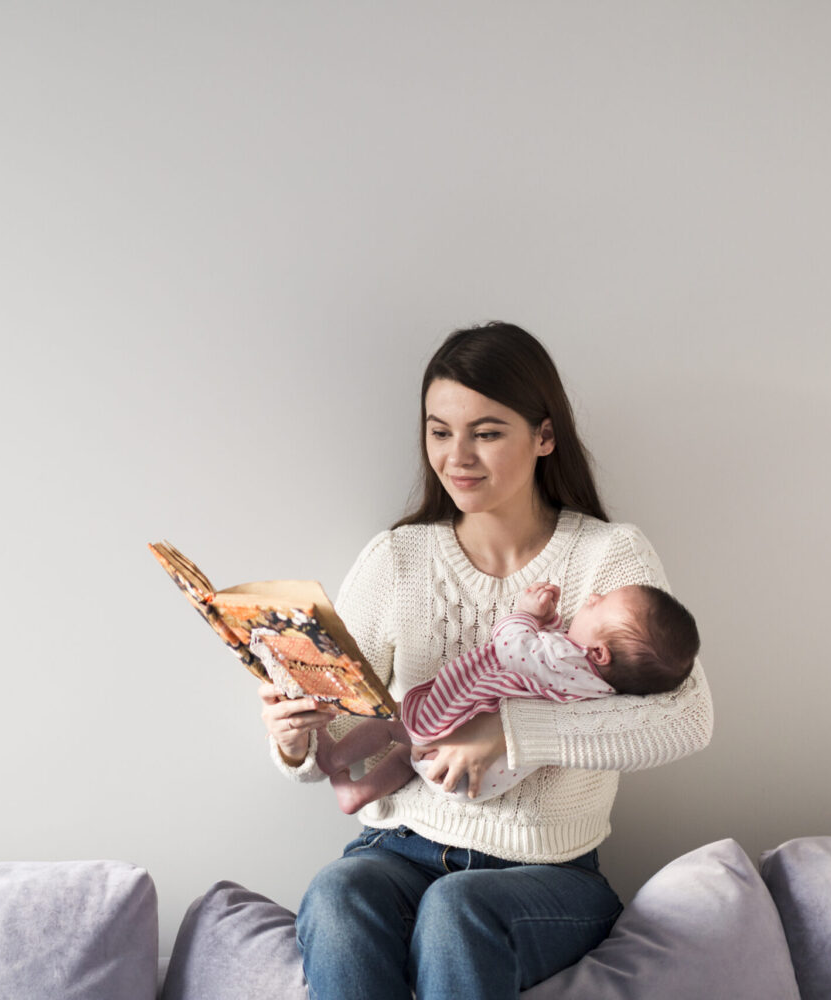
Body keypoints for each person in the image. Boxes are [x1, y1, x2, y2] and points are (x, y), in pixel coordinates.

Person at [258, 322, 713, 999]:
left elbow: (686, 722)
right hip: (396, 850)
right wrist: (295, 742)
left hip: (546, 872)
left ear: (545, 436)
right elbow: (349, 741)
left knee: (456, 911)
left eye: (487, 432)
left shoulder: (608, 558)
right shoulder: (396, 559)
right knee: (336, 894)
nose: (457, 456)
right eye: (439, 432)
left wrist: (510, 732)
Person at [316, 579, 700, 814]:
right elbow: (544, 659)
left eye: (598, 604)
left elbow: (514, 648)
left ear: (599, 654)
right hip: (483, 780)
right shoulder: (597, 685)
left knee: (392, 724)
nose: (593, 595)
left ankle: (335, 757)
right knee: (407, 756)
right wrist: (550, 623)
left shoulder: (569, 659)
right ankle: (358, 792)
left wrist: (525, 614)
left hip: (455, 742)